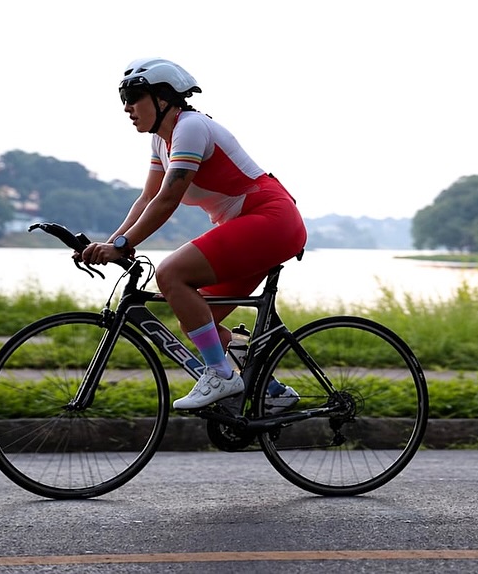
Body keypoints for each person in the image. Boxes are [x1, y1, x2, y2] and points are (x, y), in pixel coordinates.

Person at [81, 57, 308, 412]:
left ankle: (222, 374)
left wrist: (124, 245)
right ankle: (270, 390)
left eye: (134, 95)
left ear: (164, 98)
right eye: (122, 97)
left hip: (270, 218)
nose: (127, 106)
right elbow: (148, 199)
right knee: (196, 319)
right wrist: (113, 243)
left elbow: (168, 198)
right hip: (255, 226)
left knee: (171, 274)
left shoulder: (190, 128)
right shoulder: (161, 141)